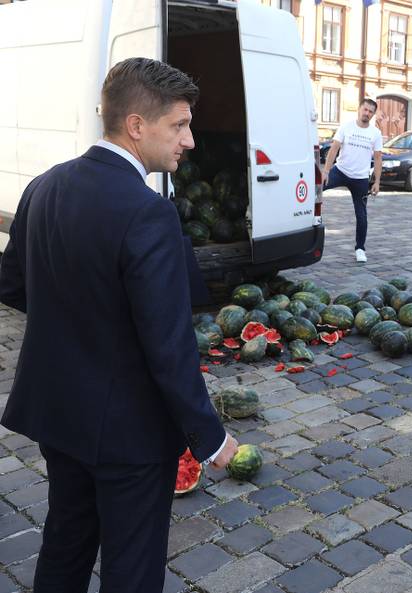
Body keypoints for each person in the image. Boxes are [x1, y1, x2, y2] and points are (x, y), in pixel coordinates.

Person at [0, 58, 238, 592]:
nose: (191, 140)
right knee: (132, 570)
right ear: (136, 125)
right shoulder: (146, 210)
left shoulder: (44, 185)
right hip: (127, 433)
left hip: (59, 413)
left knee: (65, 543)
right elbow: (168, 345)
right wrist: (208, 435)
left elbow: (12, 286)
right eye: (179, 125)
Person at [322, 98, 383, 263]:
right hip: (340, 171)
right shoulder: (346, 126)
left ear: (373, 114)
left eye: (370, 111)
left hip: (360, 179)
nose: (367, 113)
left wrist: (377, 181)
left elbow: (378, 158)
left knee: (361, 215)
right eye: (365, 109)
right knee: (315, 190)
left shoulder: (375, 133)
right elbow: (334, 148)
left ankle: (360, 249)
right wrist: (326, 171)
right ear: (359, 109)